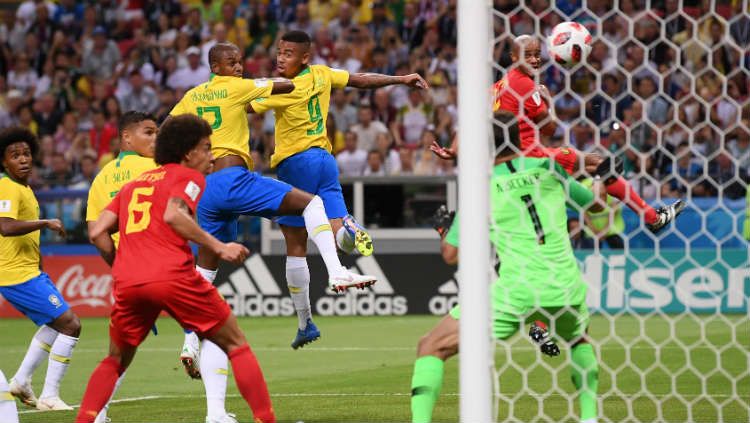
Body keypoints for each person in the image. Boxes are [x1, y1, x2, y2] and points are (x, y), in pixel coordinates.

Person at [169, 41, 376, 423]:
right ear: (216, 65)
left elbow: (168, 132)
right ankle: (337, 271)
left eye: (240, 62)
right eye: (233, 62)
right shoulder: (238, 85)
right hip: (235, 177)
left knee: (207, 271)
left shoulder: (191, 96)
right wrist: (280, 82)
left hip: (206, 190)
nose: (239, 66)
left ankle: (189, 339)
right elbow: (282, 87)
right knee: (311, 204)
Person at [77, 114, 275, 423]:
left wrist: (121, 267)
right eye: (207, 148)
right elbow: (173, 214)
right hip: (173, 275)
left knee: (115, 360)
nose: (212, 156)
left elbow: (95, 232)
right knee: (235, 343)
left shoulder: (133, 186)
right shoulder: (189, 177)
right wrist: (219, 246)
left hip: (128, 282)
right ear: (187, 153)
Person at [410, 112, 605, 423]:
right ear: (519, 137)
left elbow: (450, 255)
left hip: (517, 291)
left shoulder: (481, 190)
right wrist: (602, 177)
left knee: (430, 346)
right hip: (566, 284)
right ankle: (589, 417)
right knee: (579, 339)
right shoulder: (548, 168)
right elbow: (596, 206)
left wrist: (454, 229)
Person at [247, 30, 428, 349]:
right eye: (279, 51)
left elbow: (247, 106)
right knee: (335, 232)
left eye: (288, 53)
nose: (280, 57)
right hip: (325, 160)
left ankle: (305, 321)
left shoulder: (286, 87)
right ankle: (347, 235)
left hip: (295, 162)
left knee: (295, 243)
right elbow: (361, 79)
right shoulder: (323, 74)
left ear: (304, 57)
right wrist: (400, 79)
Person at [432, 35, 684, 233]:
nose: (534, 60)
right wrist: (547, 101)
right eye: (527, 55)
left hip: (508, 162)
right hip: (534, 157)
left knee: (595, 168)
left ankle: (646, 214)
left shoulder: (497, 86)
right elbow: (550, 129)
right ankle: (651, 217)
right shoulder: (525, 85)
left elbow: (468, 117)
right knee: (601, 168)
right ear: (513, 56)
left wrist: (454, 149)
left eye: (537, 55)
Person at [85, 111, 160, 423]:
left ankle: (98, 413)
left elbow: (96, 232)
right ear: (126, 138)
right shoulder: (156, 168)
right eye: (149, 133)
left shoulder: (102, 176)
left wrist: (120, 267)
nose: (155, 140)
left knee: (119, 352)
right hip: (160, 264)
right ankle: (216, 413)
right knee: (213, 330)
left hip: (126, 274)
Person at [0, 127, 81, 411]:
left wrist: (39, 266)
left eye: (26, 153)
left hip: (28, 271)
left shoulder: (24, 188)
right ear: (4, 162)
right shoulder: (8, 186)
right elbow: (5, 226)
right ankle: (50, 395)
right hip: (15, 274)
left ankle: (21, 380)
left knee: (53, 324)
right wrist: (46, 223)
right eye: (14, 155)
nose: (22, 159)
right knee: (70, 325)